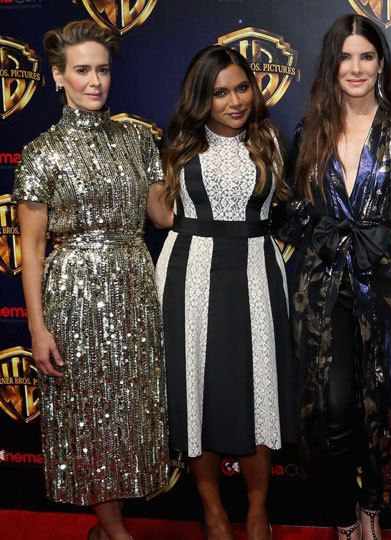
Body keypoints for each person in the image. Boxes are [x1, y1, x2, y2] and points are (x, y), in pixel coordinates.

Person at [15, 19, 169, 540]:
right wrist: (37, 329)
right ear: (58, 76)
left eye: (101, 70)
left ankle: (108, 530)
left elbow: (162, 215)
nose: (94, 81)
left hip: (134, 286)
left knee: (130, 410)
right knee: (89, 412)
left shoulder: (136, 138)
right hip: (74, 294)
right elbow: (31, 249)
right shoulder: (41, 152)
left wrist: (206, 153)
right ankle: (114, 530)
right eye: (81, 70)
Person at [287, 14, 391, 540]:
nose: (356, 67)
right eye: (345, 57)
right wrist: (320, 232)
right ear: (331, 65)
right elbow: (290, 207)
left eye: (366, 56)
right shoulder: (309, 132)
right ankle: (344, 513)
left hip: (384, 288)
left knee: (384, 401)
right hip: (322, 291)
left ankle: (371, 508)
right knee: (334, 404)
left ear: (381, 63)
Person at [153, 45, 293, 540]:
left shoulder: (270, 142)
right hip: (190, 276)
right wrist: (199, 235)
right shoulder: (178, 145)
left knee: (260, 392)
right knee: (197, 393)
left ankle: (257, 511)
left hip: (256, 272)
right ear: (201, 98)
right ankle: (212, 512)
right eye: (219, 93)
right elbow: (159, 211)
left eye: (241, 87)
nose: (234, 101)